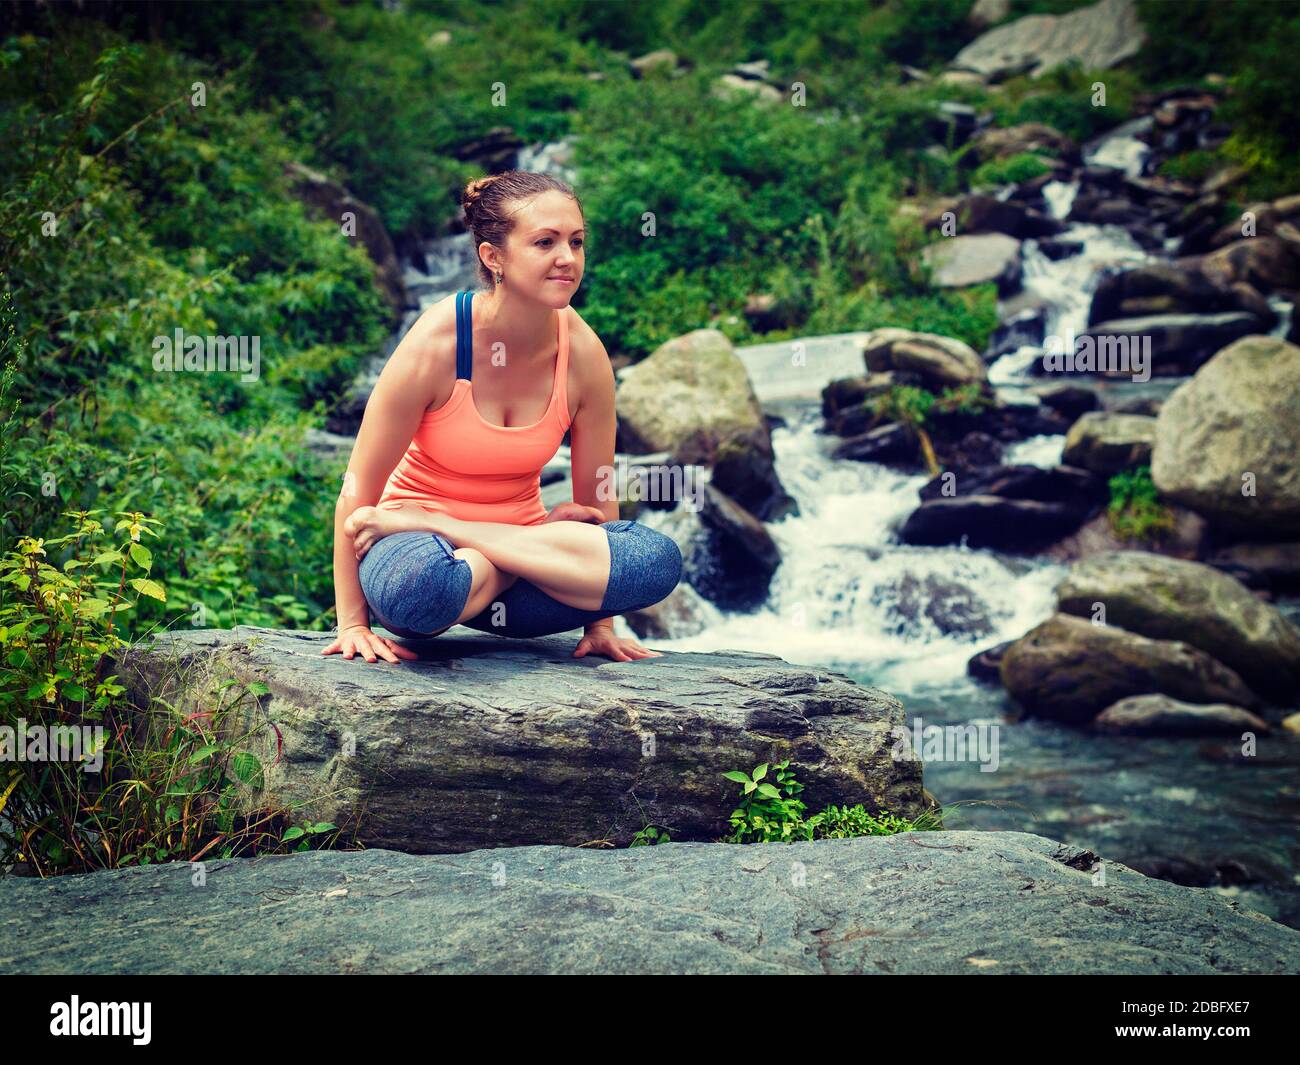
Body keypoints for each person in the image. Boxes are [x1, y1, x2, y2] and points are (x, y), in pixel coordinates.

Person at [321, 170, 683, 665]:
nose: (567, 259)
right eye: (545, 242)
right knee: (419, 591)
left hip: (522, 561)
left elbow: (597, 497)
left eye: (576, 242)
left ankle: (487, 547)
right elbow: (358, 493)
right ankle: (484, 547)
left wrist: (601, 625)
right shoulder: (440, 342)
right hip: (418, 546)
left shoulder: (583, 354)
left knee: (654, 562)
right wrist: (353, 625)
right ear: (494, 257)